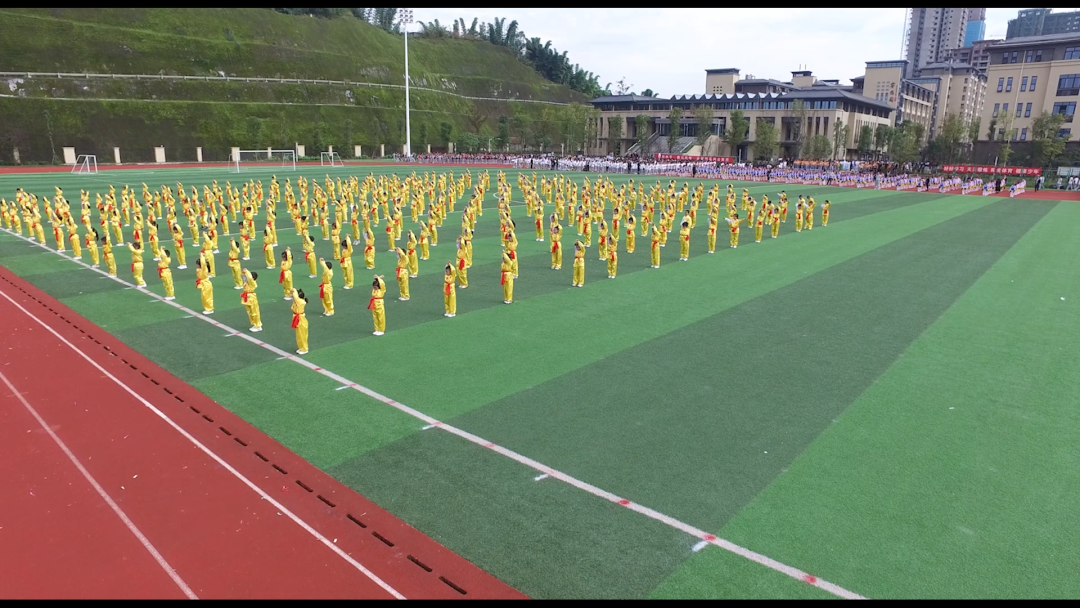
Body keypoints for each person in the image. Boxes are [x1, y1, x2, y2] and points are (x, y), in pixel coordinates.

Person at [290, 288, 309, 355]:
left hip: (301, 320)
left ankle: (304, 348)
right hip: (298, 319)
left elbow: (295, 296)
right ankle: (301, 347)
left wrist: (294, 290)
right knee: (298, 335)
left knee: (302, 335)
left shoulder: (301, 302)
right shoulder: (296, 302)